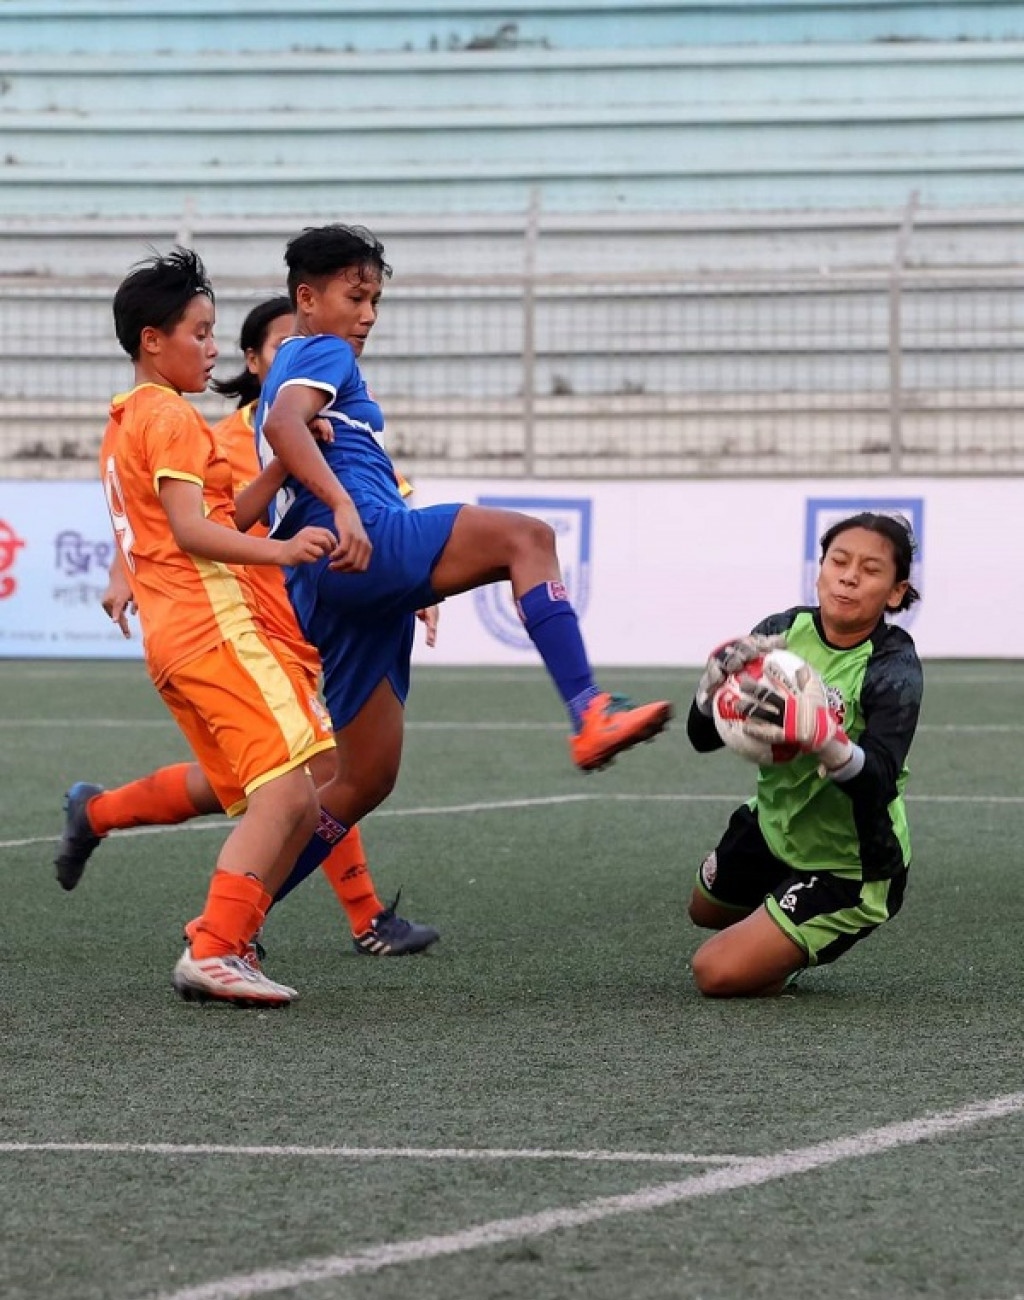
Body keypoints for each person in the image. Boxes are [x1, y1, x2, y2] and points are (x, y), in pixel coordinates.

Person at [254, 223, 674, 901]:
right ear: (306, 296)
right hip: (362, 539)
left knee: (365, 778)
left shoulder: (289, 367)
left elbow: (274, 453)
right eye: (355, 296)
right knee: (528, 539)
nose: (367, 315)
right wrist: (349, 508)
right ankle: (588, 709)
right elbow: (285, 428)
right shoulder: (322, 351)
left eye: (376, 302)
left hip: (328, 582)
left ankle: (231, 923)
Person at [56, 296, 439, 957]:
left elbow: (377, 506)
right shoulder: (214, 428)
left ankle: (97, 812)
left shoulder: (321, 425)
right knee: (315, 773)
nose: (297, 355)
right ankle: (331, 921)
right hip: (244, 628)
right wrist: (126, 566)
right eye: (282, 345)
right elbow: (182, 517)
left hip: (297, 630)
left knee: (232, 783)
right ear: (256, 359)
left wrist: (410, 579)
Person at [95, 246, 343, 1007]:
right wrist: (284, 545)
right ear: (152, 340)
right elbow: (193, 533)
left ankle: (224, 941)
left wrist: (276, 472)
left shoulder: (127, 418)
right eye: (199, 333)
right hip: (214, 627)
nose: (212, 348)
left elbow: (208, 515)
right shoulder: (170, 416)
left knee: (297, 793)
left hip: (173, 639)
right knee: (288, 796)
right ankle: (212, 946)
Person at [685, 511, 923, 998]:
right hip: (775, 825)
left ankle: (791, 938)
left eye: (871, 570)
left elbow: (877, 779)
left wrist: (824, 738)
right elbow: (703, 737)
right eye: (839, 561)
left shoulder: (893, 665)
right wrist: (707, 694)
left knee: (715, 973)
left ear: (896, 593)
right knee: (704, 909)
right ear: (820, 568)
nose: (850, 576)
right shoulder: (781, 632)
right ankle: (779, 911)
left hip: (850, 864)